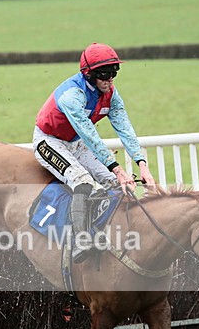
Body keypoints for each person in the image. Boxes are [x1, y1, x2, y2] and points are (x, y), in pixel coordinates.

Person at [34, 42, 156, 262]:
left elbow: (125, 128)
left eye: (114, 72)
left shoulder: (111, 93)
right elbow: (91, 136)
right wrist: (118, 169)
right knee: (83, 182)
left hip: (76, 142)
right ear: (89, 74)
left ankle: (107, 233)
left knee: (113, 184)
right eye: (105, 73)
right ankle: (80, 240)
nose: (110, 79)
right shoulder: (72, 96)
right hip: (49, 141)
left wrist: (142, 165)